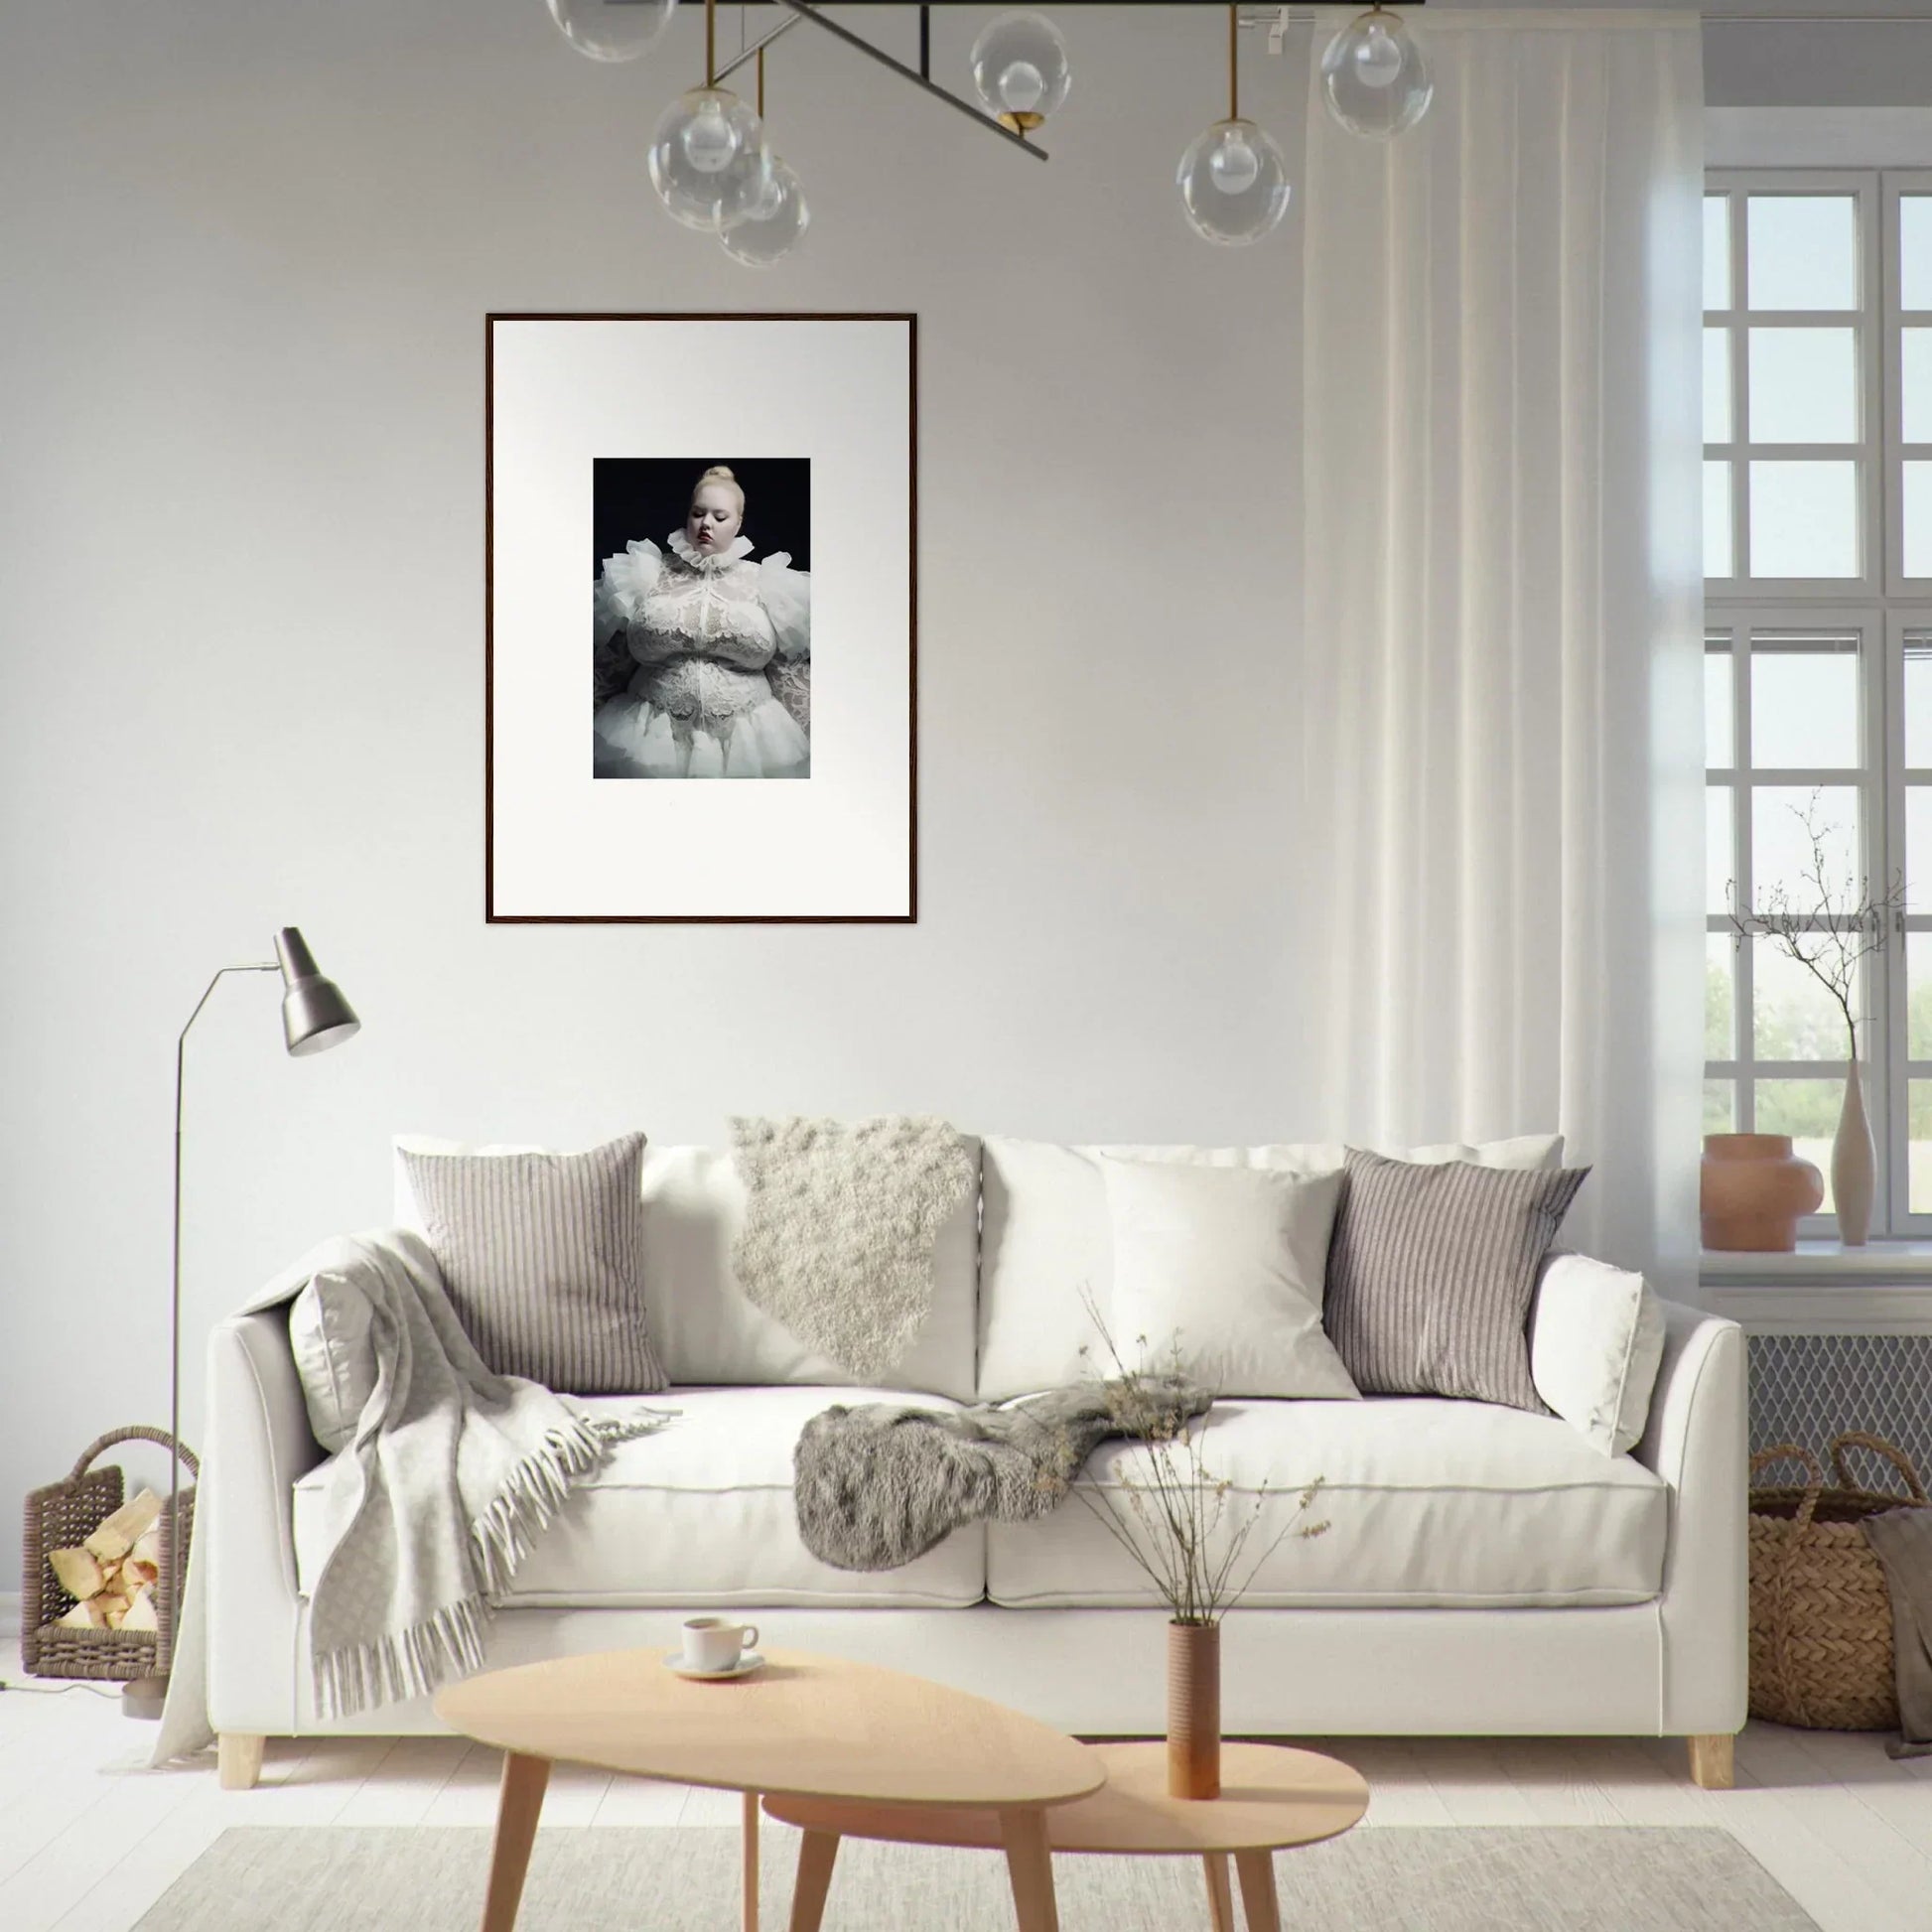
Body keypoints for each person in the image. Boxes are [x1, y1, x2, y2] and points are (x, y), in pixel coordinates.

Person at [593, 465, 811, 778]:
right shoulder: (645, 575)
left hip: (752, 745)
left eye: (719, 517)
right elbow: (610, 666)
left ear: (738, 522)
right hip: (646, 741)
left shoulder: (767, 583)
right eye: (698, 513)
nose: (706, 523)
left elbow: (789, 673)